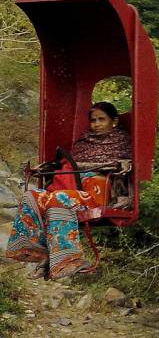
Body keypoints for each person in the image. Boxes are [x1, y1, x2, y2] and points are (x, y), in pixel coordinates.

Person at [5, 102, 131, 279]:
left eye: (102, 119)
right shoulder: (83, 143)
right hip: (72, 190)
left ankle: (67, 261)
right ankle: (43, 254)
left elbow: (125, 167)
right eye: (93, 120)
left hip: (96, 193)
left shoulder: (120, 142)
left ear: (114, 121)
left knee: (58, 199)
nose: (97, 124)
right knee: (31, 196)